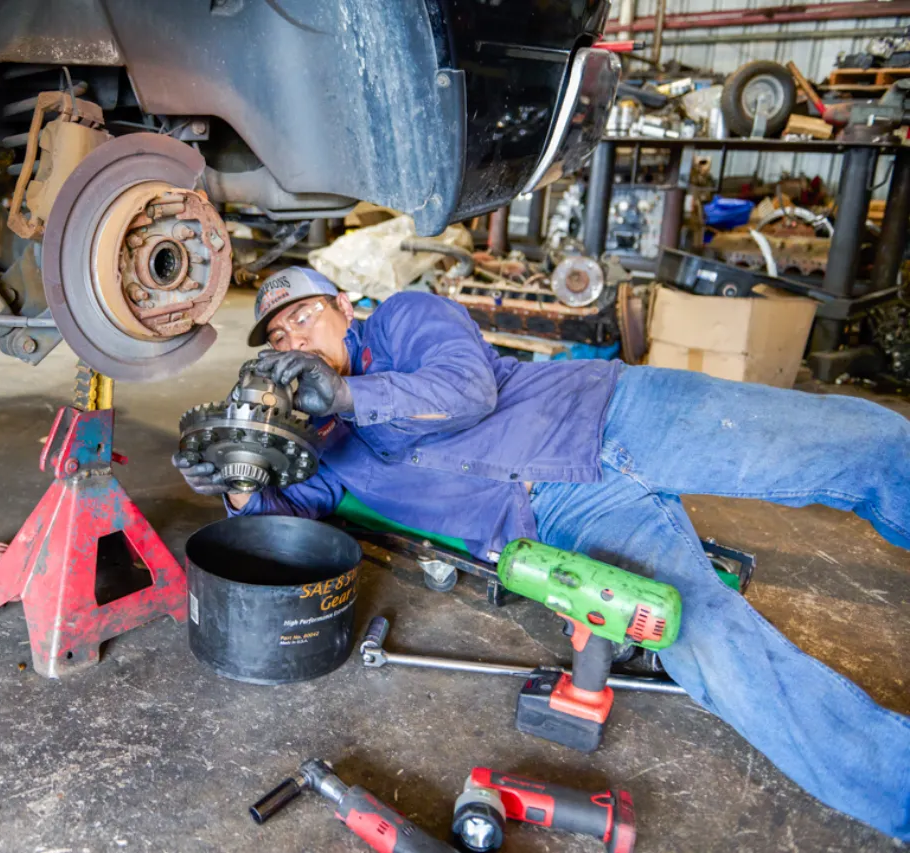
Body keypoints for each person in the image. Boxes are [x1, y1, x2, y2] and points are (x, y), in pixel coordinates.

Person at [172, 265, 910, 839]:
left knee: (860, 444)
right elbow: (271, 529)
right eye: (279, 336)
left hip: (616, 413)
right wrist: (232, 482)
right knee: (708, 643)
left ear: (342, 306)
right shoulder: (325, 457)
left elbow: (466, 389)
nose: (294, 337)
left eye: (304, 314)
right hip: (568, 515)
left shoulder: (402, 319)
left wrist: (348, 397)